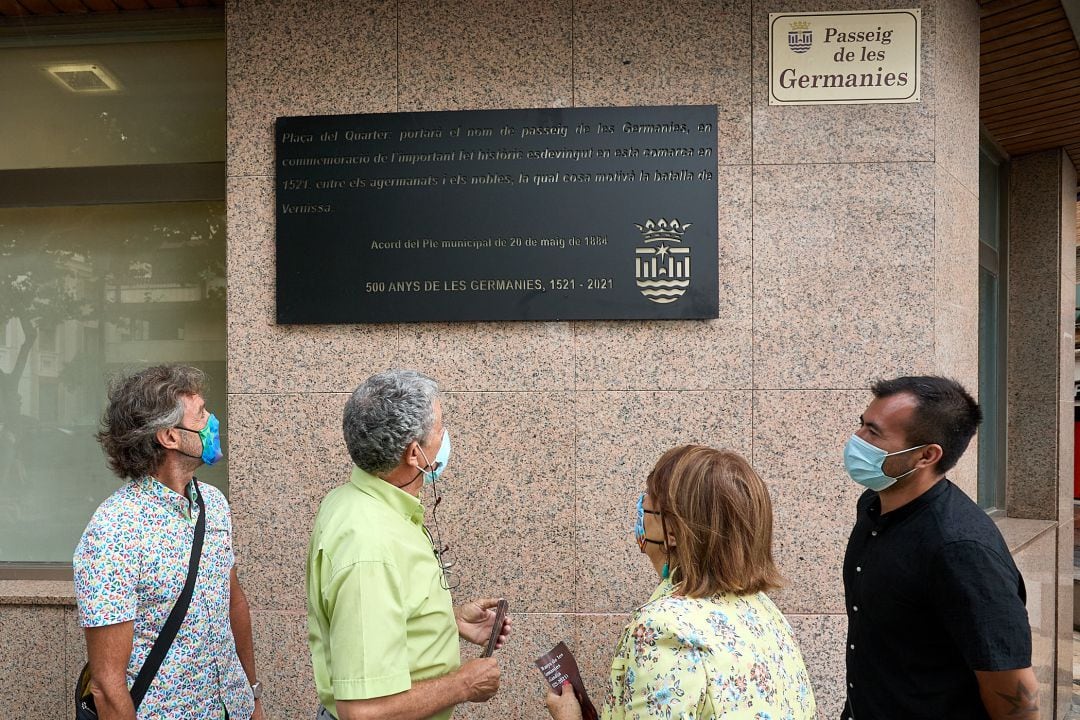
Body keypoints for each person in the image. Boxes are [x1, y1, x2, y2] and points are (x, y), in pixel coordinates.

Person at [546, 445, 817, 720]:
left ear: (673, 530)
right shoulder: (766, 612)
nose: (642, 506)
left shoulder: (663, 628)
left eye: (649, 498)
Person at [306, 369, 511, 720]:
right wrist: (462, 684)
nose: (446, 437)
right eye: (439, 429)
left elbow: (378, 615)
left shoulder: (359, 501)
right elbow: (363, 712)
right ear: (415, 453)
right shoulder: (368, 547)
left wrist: (446, 621)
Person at [74, 365, 263, 720]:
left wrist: (252, 698)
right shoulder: (114, 530)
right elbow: (106, 683)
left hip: (233, 708)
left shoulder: (214, 503)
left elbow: (234, 601)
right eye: (202, 415)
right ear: (170, 437)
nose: (213, 422)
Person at [841, 376, 1035, 720]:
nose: (857, 440)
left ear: (926, 455)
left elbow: (1013, 691)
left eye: (874, 433)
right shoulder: (873, 506)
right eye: (862, 425)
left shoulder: (961, 550)